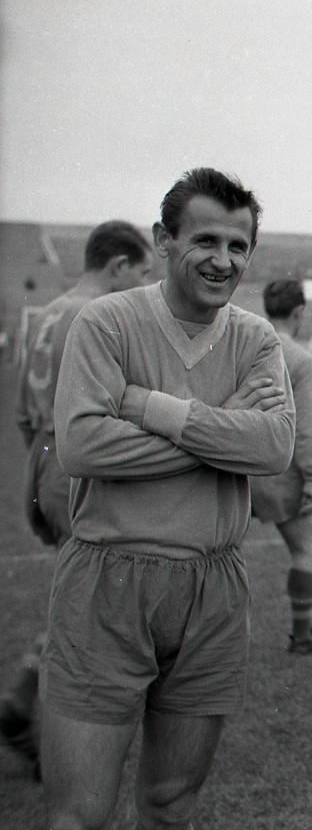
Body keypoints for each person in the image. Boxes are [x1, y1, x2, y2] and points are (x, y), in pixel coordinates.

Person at [42, 167, 295, 830]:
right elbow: (83, 448)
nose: (223, 260)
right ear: (162, 238)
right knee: (80, 813)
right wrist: (220, 422)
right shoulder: (106, 323)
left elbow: (271, 449)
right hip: (107, 578)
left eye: (239, 247)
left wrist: (154, 409)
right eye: (206, 241)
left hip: (212, 590)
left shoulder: (255, 339)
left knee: (170, 805)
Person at [0, 220, 153, 777]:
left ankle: (24, 704)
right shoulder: (95, 316)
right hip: (74, 468)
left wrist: (41, 470)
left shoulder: (47, 315)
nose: (140, 285)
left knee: (79, 595)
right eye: (139, 273)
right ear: (117, 266)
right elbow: (110, 411)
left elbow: (21, 411)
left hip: (41, 461)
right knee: (89, 605)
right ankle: (40, 722)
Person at [250, 279, 312, 654]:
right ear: (299, 312)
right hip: (280, 469)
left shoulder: (244, 345)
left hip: (233, 465)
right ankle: (303, 636)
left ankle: (200, 642)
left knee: (215, 553)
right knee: (304, 549)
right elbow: (306, 430)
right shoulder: (301, 360)